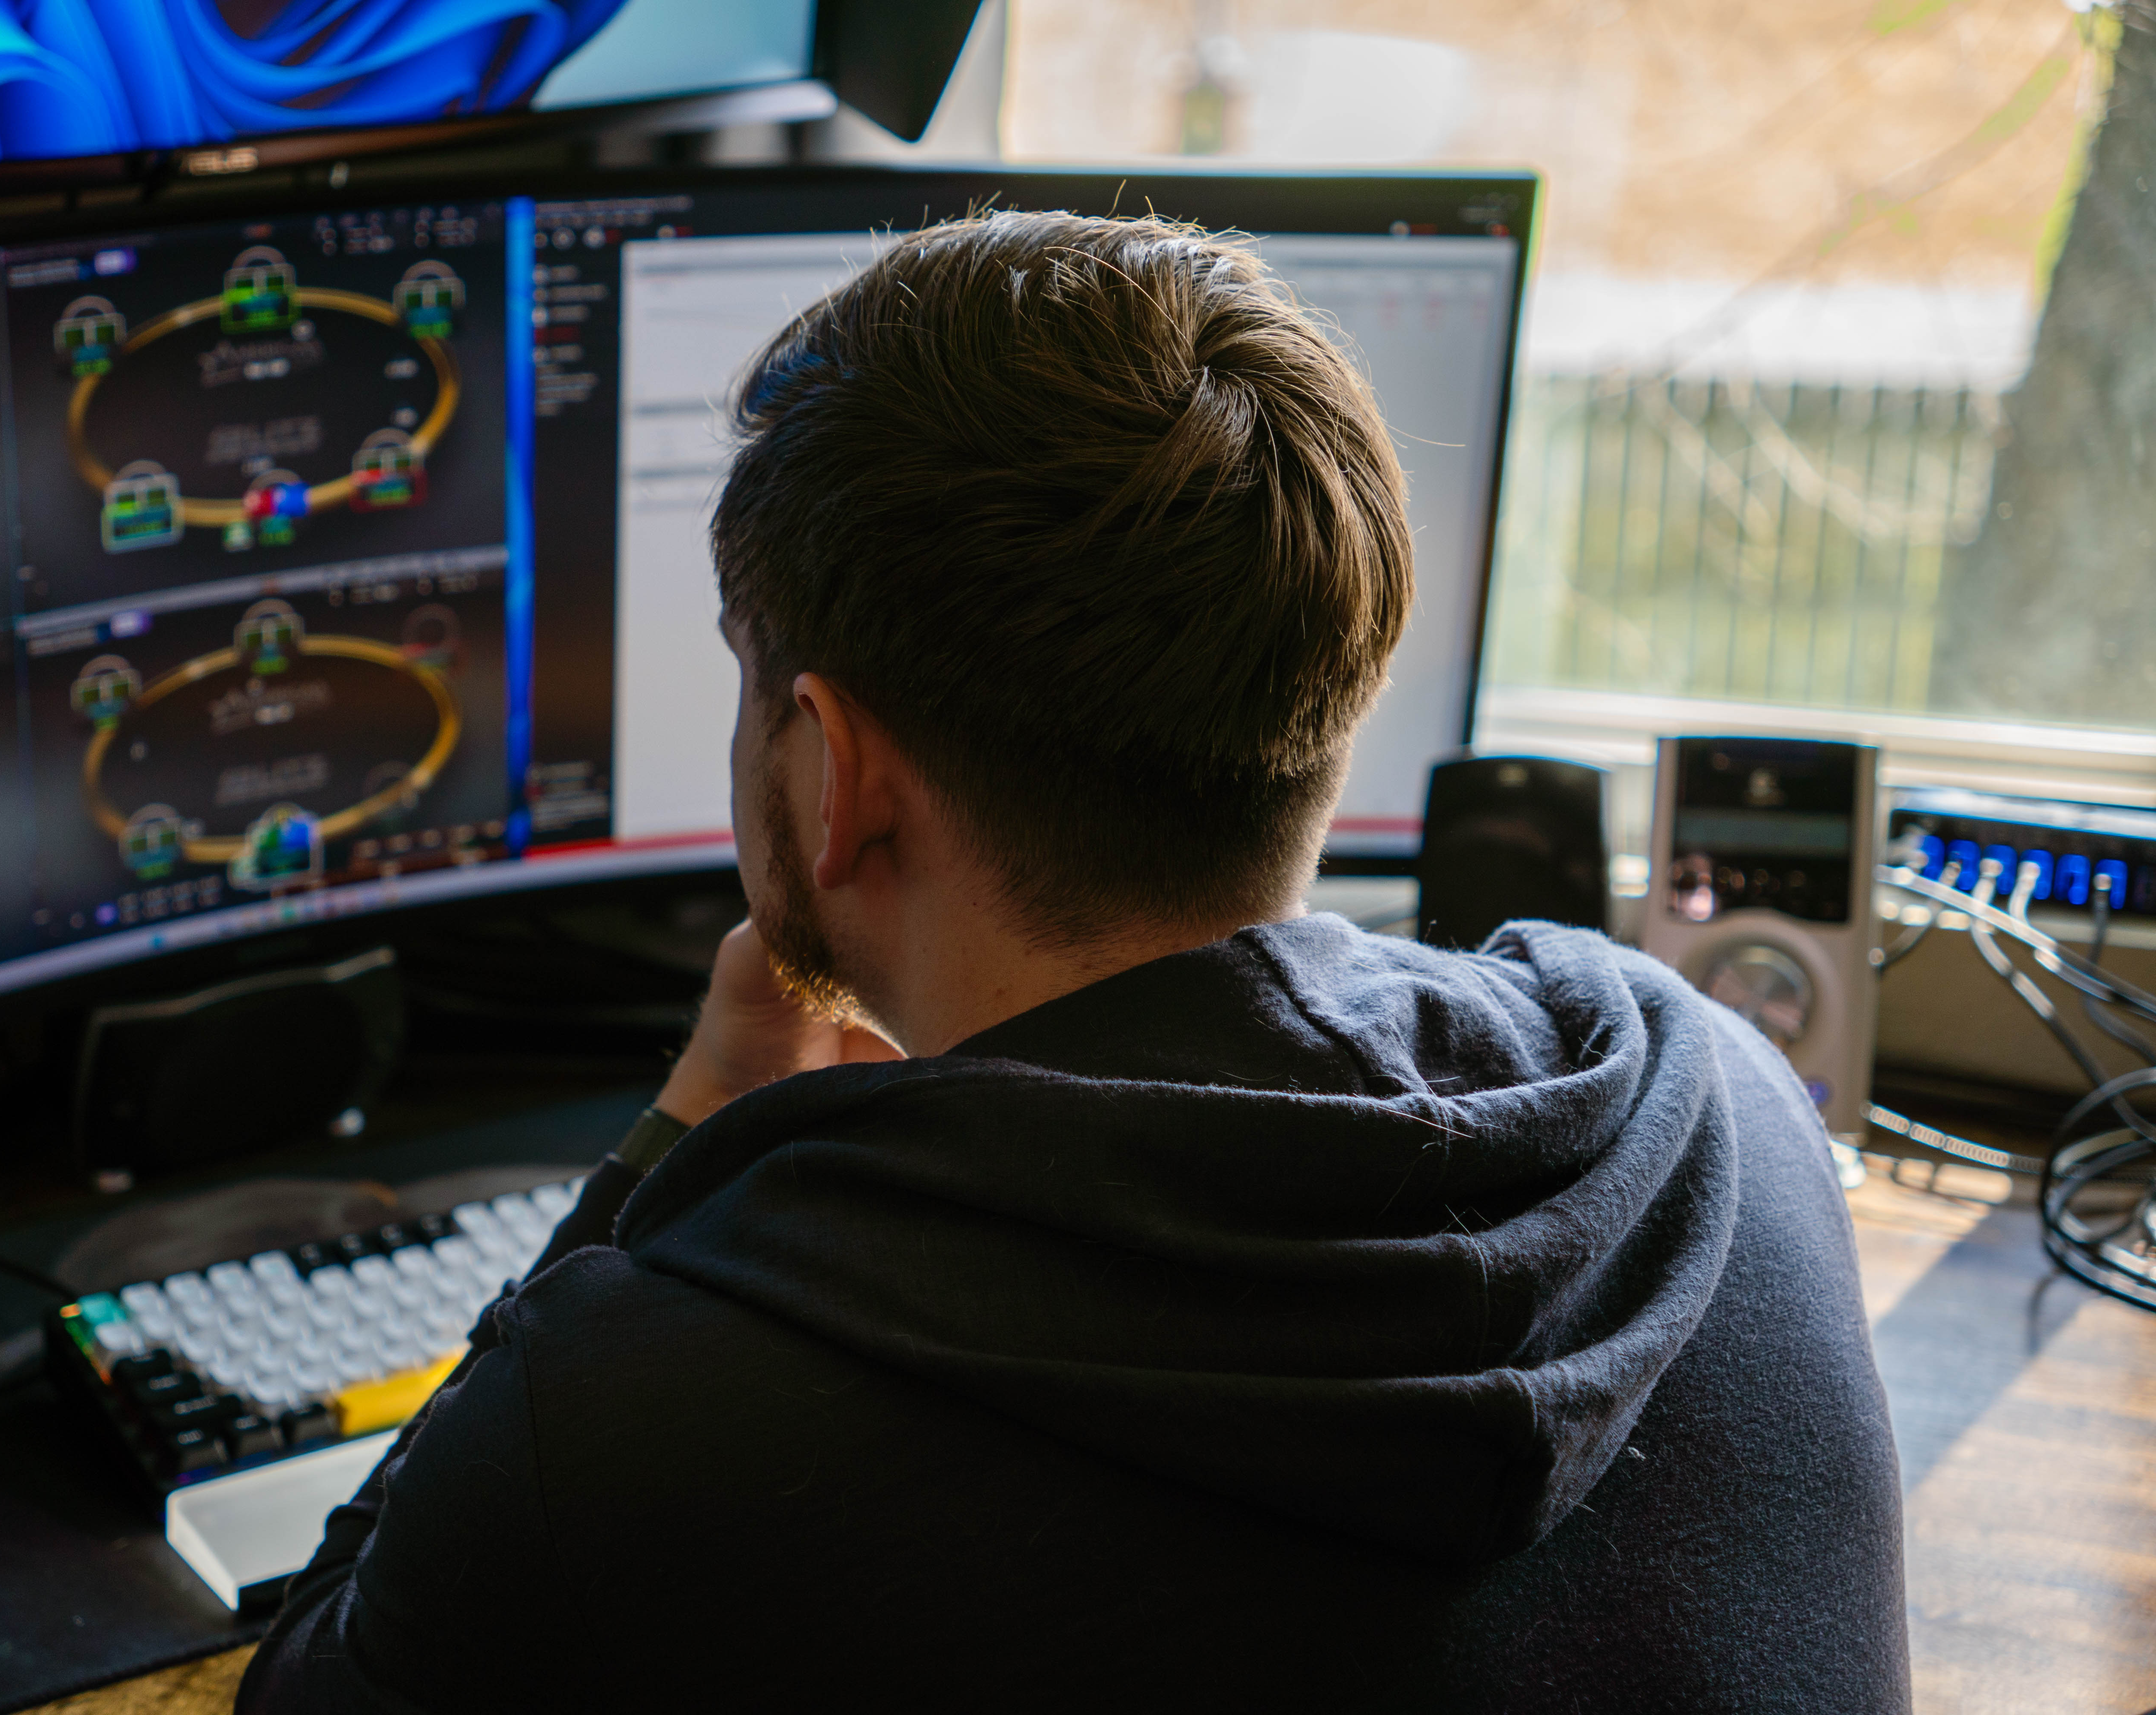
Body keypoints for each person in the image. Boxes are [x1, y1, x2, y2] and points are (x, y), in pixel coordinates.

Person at [239, 210, 1909, 1711]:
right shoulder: (1730, 1107)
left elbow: (309, 1681)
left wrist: (674, 1145)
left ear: (836, 770)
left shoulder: (649, 1423)